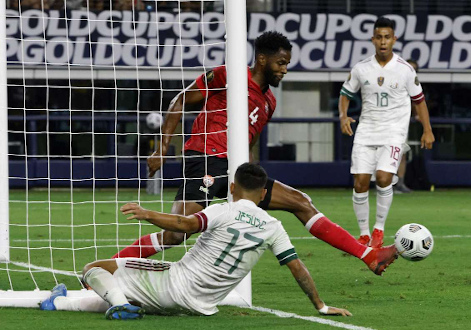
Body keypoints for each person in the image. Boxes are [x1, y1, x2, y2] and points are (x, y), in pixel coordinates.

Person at [113, 31, 398, 275]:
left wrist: (251, 168)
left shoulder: (269, 102)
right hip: (206, 159)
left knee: (300, 202)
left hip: (237, 169)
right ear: (262, 59)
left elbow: (251, 138)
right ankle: (110, 265)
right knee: (176, 233)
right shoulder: (228, 75)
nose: (284, 69)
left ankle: (368, 255)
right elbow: (178, 102)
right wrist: (163, 148)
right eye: (281, 62)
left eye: (287, 64)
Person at [40, 164, 355, 319]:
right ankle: (62, 303)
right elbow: (298, 269)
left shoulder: (222, 209)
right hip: (200, 306)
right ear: (263, 194)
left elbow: (183, 224)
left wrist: (145, 212)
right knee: (125, 291)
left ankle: (120, 305)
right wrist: (321, 305)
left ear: (232, 187)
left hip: (171, 284)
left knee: (95, 269)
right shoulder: (274, 227)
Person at [338, 17, 435, 247]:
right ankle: (363, 234)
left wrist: (427, 130)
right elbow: (345, 93)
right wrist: (343, 116)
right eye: (379, 37)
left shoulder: (405, 70)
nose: (383, 42)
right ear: (373, 40)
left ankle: (379, 230)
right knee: (360, 182)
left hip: (393, 131)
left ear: (394, 39)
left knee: (383, 178)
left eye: (387, 37)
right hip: (366, 130)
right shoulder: (361, 68)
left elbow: (419, 101)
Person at [393, 59, 420, 194]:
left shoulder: (414, 85)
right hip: (383, 122)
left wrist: (417, 115)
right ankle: (382, 184)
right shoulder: (392, 80)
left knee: (401, 153)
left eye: (414, 69)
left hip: (401, 124)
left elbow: (417, 102)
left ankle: (400, 184)